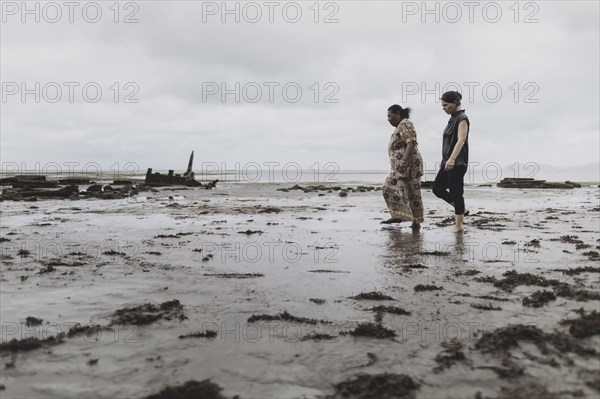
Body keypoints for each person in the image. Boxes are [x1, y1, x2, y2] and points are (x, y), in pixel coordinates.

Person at [381, 104, 424, 229]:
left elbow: (411, 141)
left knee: (413, 194)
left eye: (390, 116)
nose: (388, 119)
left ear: (398, 113)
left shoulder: (405, 123)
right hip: (399, 169)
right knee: (389, 188)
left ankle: (415, 222)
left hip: (410, 167)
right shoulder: (399, 127)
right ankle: (399, 215)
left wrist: (404, 161)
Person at [432, 91, 470, 232]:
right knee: (437, 189)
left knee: (456, 192)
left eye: (446, 105)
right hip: (447, 162)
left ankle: (459, 225)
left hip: (457, 162)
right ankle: (461, 209)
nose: (443, 108)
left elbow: (461, 140)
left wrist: (453, 159)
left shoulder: (462, 118)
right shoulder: (452, 118)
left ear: (455, 103)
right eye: (443, 105)